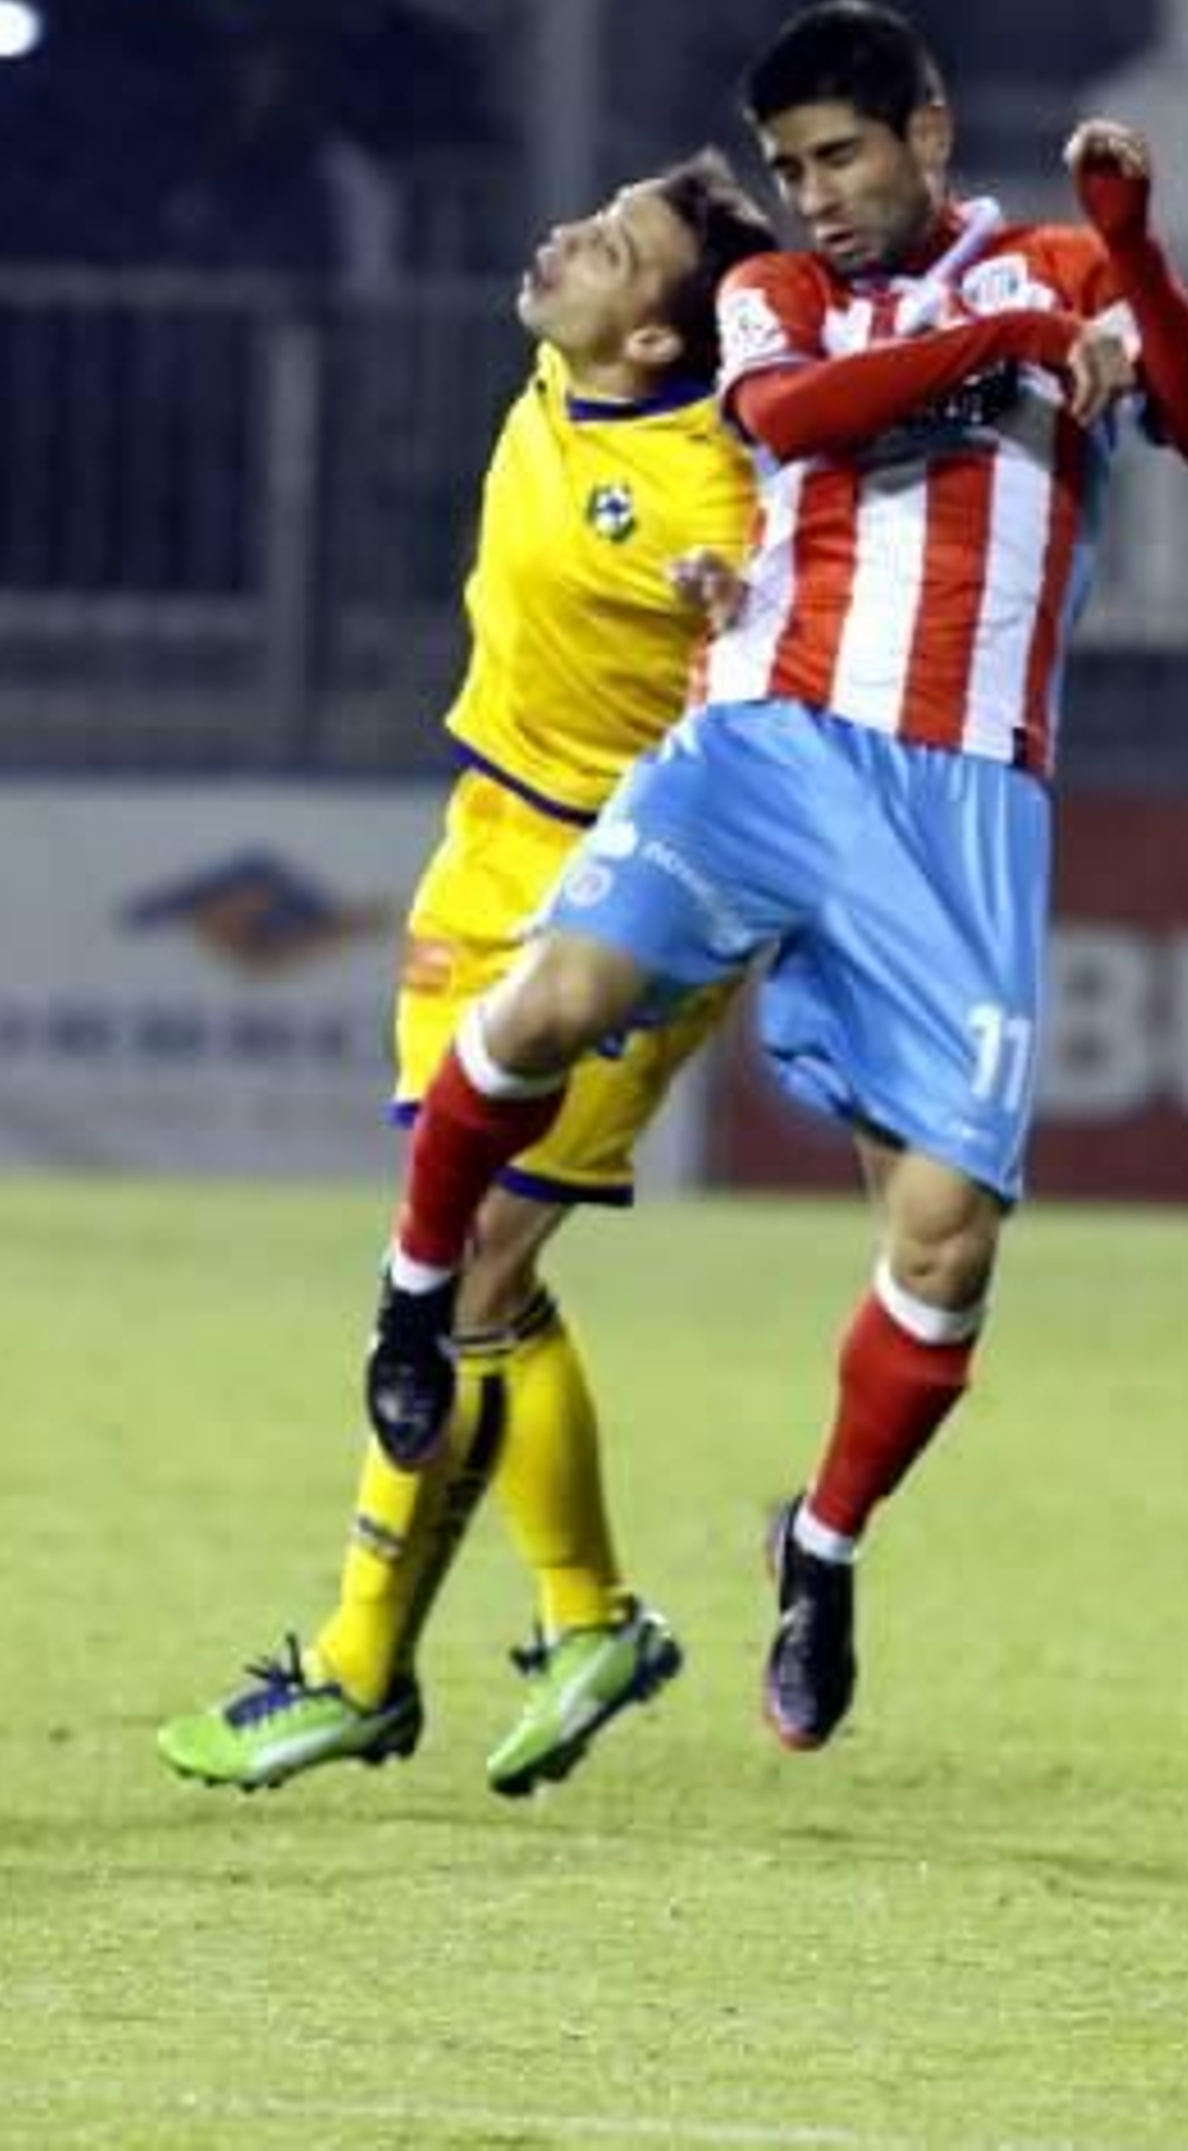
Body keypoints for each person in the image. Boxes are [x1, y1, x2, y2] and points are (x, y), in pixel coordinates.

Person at [357, 0, 1188, 1753]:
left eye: (841, 157)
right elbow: (787, 413)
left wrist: (1135, 261)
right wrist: (1016, 341)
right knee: (543, 1005)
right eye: (789, 168)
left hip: (963, 794)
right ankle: (410, 1301)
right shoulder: (783, 294)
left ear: (930, 132)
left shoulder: (1069, 267)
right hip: (767, 740)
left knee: (948, 1239)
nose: (816, 196)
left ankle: (822, 1549)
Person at [158, 148, 778, 1796]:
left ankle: (372, 1661)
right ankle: (577, 1623)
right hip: (484, 840)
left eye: (614, 248)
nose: (565, 239)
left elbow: (783, 664)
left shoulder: (718, 502)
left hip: (627, 897)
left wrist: (742, 610)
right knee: (467, 1264)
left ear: (659, 339)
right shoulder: (571, 370)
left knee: (479, 1264)